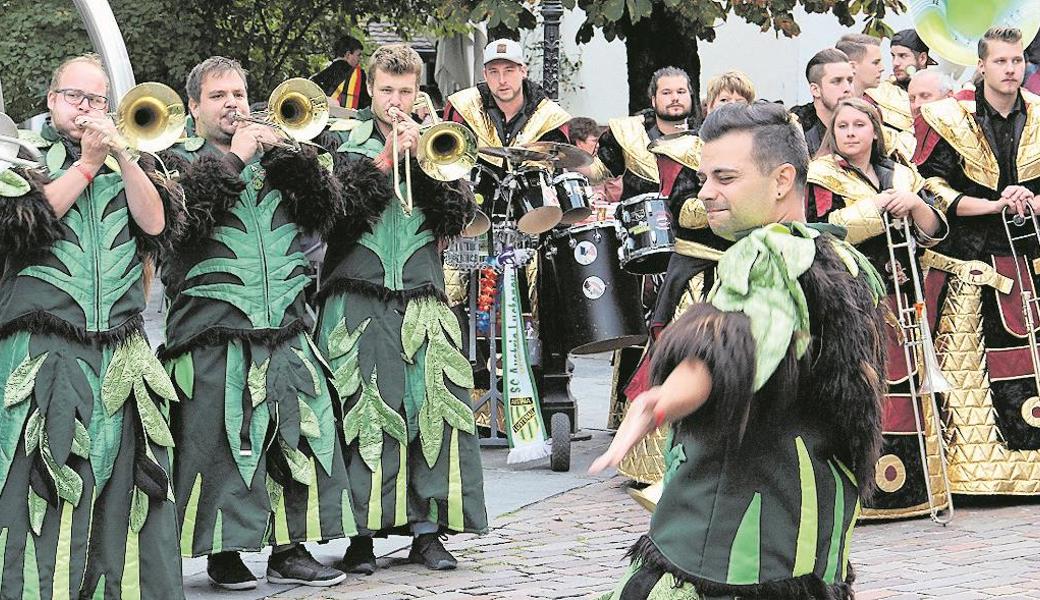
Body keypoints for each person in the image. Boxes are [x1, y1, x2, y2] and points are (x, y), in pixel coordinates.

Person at [592, 101, 886, 599]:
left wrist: (662, 399)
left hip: (730, 545)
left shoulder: (770, 252)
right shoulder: (843, 257)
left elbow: (741, 341)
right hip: (808, 540)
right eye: (705, 177)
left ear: (781, 180)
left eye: (724, 177)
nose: (705, 192)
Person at [160, 56, 352, 589]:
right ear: (193, 106)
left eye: (240, 94)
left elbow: (322, 215)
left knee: (295, 438)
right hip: (211, 329)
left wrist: (294, 160)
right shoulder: (174, 161)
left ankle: (289, 549)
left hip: (286, 324)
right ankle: (223, 552)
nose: (233, 105)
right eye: (218, 95)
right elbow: (181, 225)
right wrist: (234, 160)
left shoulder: (275, 160)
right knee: (219, 445)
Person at [0, 54, 185, 597]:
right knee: (41, 479)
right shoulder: (21, 160)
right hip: (44, 351)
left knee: (128, 483)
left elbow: (156, 224)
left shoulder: (135, 159)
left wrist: (124, 156)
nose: (86, 109)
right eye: (75, 97)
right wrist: (84, 164)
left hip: (121, 357)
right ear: (52, 100)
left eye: (97, 100)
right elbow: (21, 228)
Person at [314, 43, 487, 575]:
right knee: (360, 415)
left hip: (422, 295)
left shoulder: (438, 141)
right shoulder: (340, 141)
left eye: (406, 91)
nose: (396, 101)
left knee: (436, 411)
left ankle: (428, 532)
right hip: (355, 296)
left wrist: (428, 163)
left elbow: (457, 217)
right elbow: (332, 214)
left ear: (419, 91)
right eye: (386, 90)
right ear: (370, 87)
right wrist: (385, 159)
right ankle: (360, 536)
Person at [806, 98, 950, 519]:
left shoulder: (902, 173)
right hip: (854, 296)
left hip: (904, 293)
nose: (851, 132)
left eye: (859, 124)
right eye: (843, 125)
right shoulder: (821, 174)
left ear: (874, 130)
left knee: (909, 382)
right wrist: (876, 210)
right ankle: (862, 492)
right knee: (861, 382)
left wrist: (915, 205)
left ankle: (915, 490)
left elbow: (936, 231)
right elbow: (822, 230)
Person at [914, 26, 1040, 495]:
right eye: (1002, 61)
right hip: (969, 261)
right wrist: (992, 205)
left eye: (1017, 60)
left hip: (1032, 258)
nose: (1011, 69)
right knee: (968, 371)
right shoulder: (947, 117)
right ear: (982, 65)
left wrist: (1030, 199)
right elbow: (930, 185)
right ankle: (973, 478)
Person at [791, 48, 855, 156]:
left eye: (850, 81)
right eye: (836, 81)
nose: (847, 88)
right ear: (815, 90)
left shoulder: (865, 125)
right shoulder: (795, 132)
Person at [567, 116, 620, 204]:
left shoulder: (600, 162)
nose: (598, 145)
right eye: (594, 141)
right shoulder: (564, 162)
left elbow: (614, 195)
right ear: (579, 142)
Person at [311, 35, 371, 110]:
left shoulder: (323, 72)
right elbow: (366, 104)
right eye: (358, 55)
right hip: (348, 119)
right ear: (348, 54)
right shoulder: (358, 74)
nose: (359, 59)